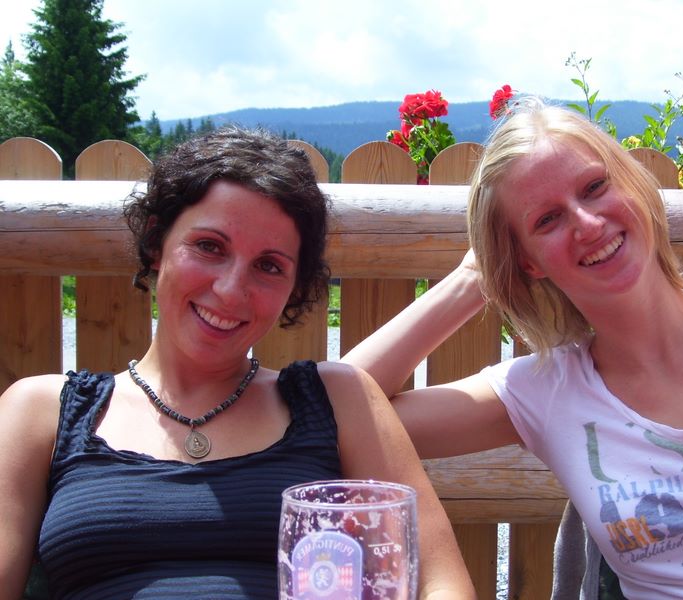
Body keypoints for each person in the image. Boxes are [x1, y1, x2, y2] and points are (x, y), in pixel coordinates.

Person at [342, 98, 683, 598]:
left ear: (634, 185)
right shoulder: (546, 392)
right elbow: (328, 412)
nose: (588, 223)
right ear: (529, 262)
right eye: (547, 220)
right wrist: (476, 277)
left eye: (595, 187)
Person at [0, 127, 475, 600]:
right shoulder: (43, 410)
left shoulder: (340, 398)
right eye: (209, 246)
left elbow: (441, 583)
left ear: (293, 288)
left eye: (268, 266)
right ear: (156, 242)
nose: (230, 290)